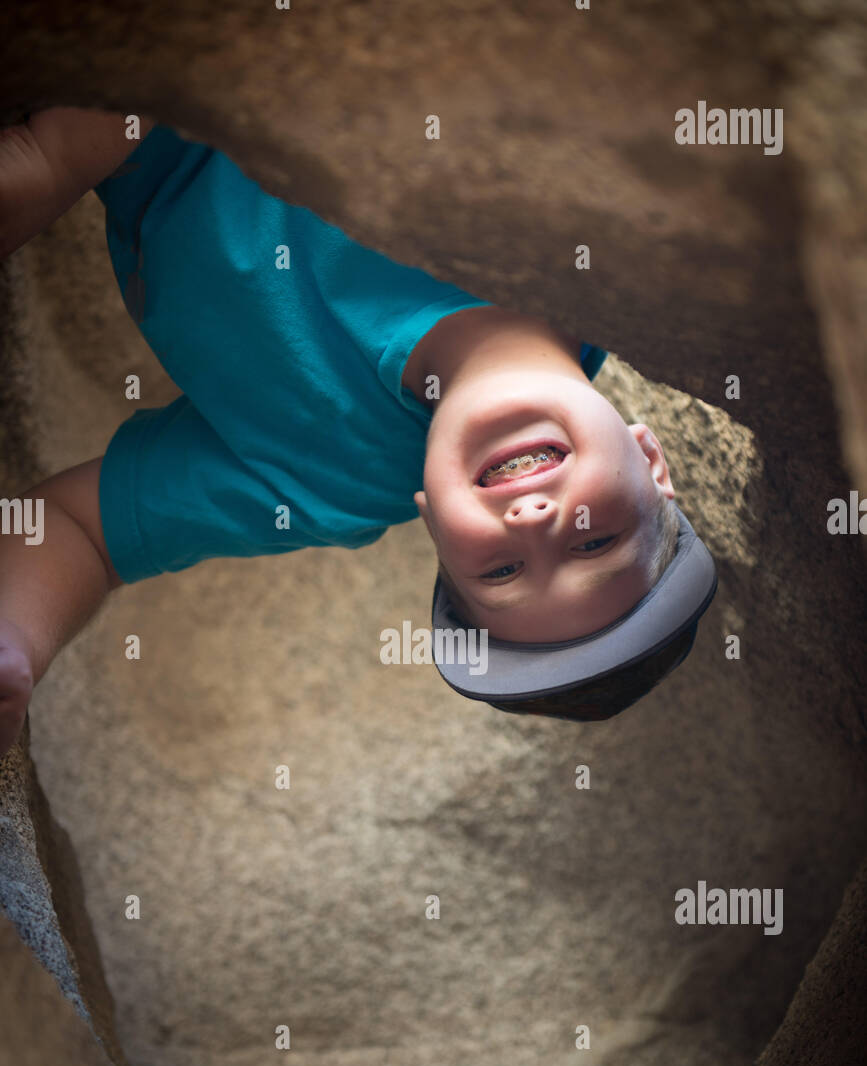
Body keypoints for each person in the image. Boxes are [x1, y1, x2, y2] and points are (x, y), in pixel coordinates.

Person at [0, 108, 716, 757]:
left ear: (435, 527)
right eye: (595, 540)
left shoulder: (322, 486)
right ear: (651, 459)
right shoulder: (604, 261)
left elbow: (83, 531)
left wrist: (15, 646)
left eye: (501, 572)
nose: (534, 523)